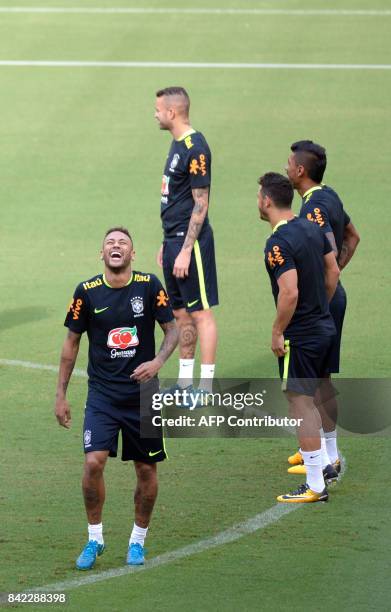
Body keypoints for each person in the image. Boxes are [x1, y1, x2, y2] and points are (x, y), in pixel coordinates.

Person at [55, 227, 177, 570]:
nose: (116, 246)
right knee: (93, 462)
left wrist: (157, 362)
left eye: (123, 242)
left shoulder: (149, 286)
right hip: (103, 396)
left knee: (146, 469)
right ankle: (95, 537)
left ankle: (137, 542)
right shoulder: (87, 292)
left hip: (143, 396)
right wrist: (60, 394)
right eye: (110, 242)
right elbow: (71, 344)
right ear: (102, 254)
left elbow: (173, 330)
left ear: (132, 254)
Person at [258, 173, 340, 502]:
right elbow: (332, 270)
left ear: (266, 201)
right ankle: (326, 465)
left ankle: (315, 485)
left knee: (300, 402)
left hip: (302, 334)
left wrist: (278, 330)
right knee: (320, 390)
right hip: (324, 326)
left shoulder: (277, 242)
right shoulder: (311, 226)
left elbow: (289, 291)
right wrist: (321, 306)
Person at [285, 141, 360, 477]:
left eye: (289, 163)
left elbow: (329, 256)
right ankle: (318, 449)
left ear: (301, 171)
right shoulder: (329, 195)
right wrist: (336, 274)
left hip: (324, 304)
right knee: (319, 377)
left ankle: (328, 455)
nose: (286, 168)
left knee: (313, 381)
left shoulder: (312, 208)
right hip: (332, 298)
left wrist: (323, 294)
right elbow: (353, 237)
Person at [154, 86, 218, 398]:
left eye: (158, 110)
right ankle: (183, 383)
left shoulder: (196, 147)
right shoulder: (176, 144)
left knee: (201, 313)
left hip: (189, 244)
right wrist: (168, 243)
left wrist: (185, 249)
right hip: (173, 240)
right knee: (180, 313)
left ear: (172, 112)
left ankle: (205, 387)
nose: (155, 114)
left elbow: (200, 204)